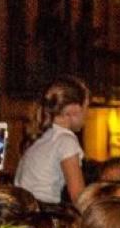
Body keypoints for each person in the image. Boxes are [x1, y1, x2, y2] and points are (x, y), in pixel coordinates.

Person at [14, 78, 89, 206]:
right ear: (72, 111)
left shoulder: (42, 138)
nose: (87, 114)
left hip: (26, 209)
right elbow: (78, 195)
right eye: (86, 107)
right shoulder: (66, 141)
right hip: (44, 212)